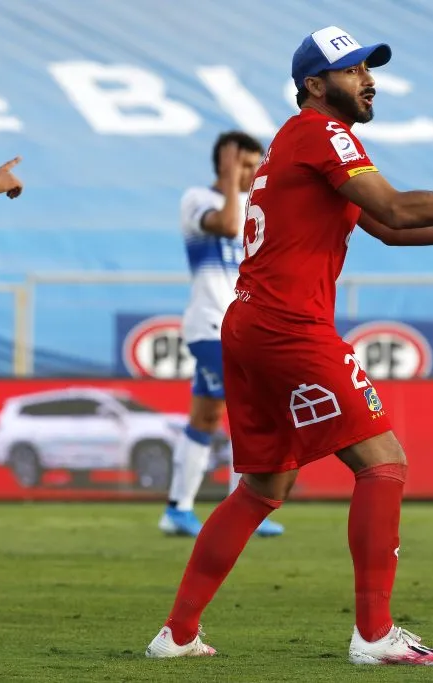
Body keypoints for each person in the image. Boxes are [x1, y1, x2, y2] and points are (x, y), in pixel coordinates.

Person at [145, 25, 433, 665]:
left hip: (252, 322)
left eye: (368, 68)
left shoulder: (300, 141)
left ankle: (177, 634)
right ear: (314, 85)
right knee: (383, 463)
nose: (368, 80)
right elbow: (396, 210)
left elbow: (387, 228)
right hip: (289, 325)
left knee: (262, 487)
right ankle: (375, 635)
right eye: (352, 70)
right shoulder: (323, 133)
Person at [158, 130, 283, 539]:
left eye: (255, 165)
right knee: (253, 408)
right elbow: (228, 226)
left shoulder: (255, 208)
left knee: (206, 416)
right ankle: (244, 508)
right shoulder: (198, 199)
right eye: (243, 165)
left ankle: (177, 510)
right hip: (211, 325)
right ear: (225, 165)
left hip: (240, 325)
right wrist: (230, 180)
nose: (250, 172)